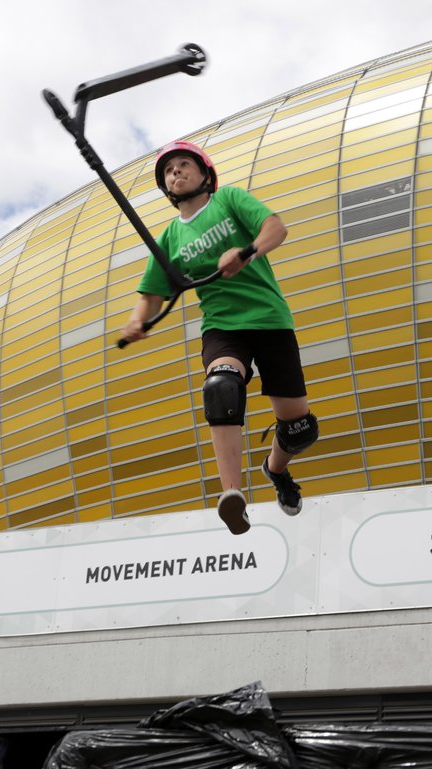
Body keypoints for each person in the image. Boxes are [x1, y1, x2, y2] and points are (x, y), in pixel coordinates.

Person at [119, 141, 319, 535]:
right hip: (222, 326)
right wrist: (136, 321)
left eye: (183, 165)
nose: (176, 172)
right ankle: (232, 495)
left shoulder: (229, 199)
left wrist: (246, 252)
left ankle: (275, 470)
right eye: (169, 171)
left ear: (205, 173)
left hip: (270, 320)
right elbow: (151, 294)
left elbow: (275, 228)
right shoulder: (170, 238)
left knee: (300, 429)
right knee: (221, 386)